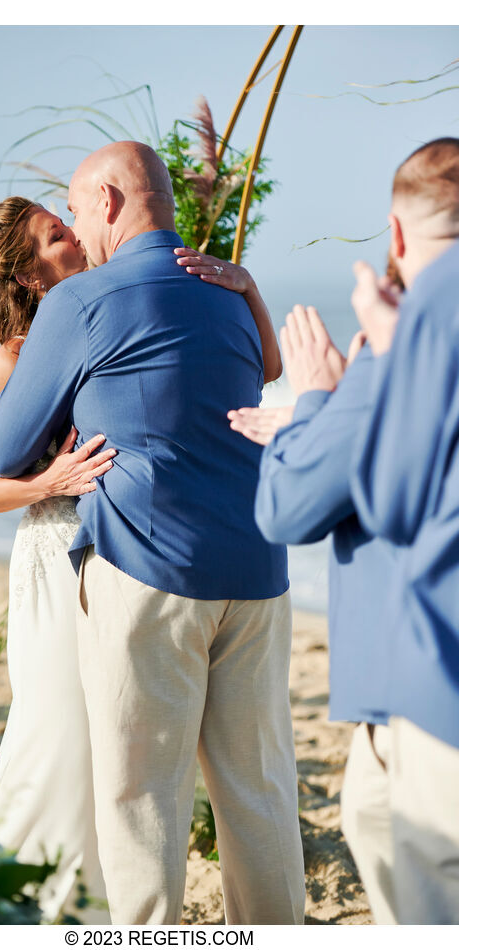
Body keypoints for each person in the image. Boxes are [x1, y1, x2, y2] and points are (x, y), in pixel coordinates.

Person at [0, 141, 306, 925]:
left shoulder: (81, 299)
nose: (77, 232)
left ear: (108, 200)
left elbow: (4, 450)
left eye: (74, 208)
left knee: (141, 795)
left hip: (147, 567)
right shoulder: (227, 289)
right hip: (259, 568)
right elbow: (261, 372)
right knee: (258, 790)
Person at [228, 137, 458, 924]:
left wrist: (322, 400)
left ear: (395, 237)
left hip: (425, 694)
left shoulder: (404, 340)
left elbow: (290, 509)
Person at [0, 196, 114, 923]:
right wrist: (46, 483)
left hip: (120, 554)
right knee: (55, 726)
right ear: (29, 277)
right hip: (53, 552)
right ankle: (8, 900)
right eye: (55, 235)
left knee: (109, 733)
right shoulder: (11, 360)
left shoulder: (108, 312)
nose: (74, 233)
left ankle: (98, 906)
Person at [350, 139, 458, 925]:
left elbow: (390, 499)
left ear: (395, 235)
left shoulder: (432, 305)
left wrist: (380, 359)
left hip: (447, 677)